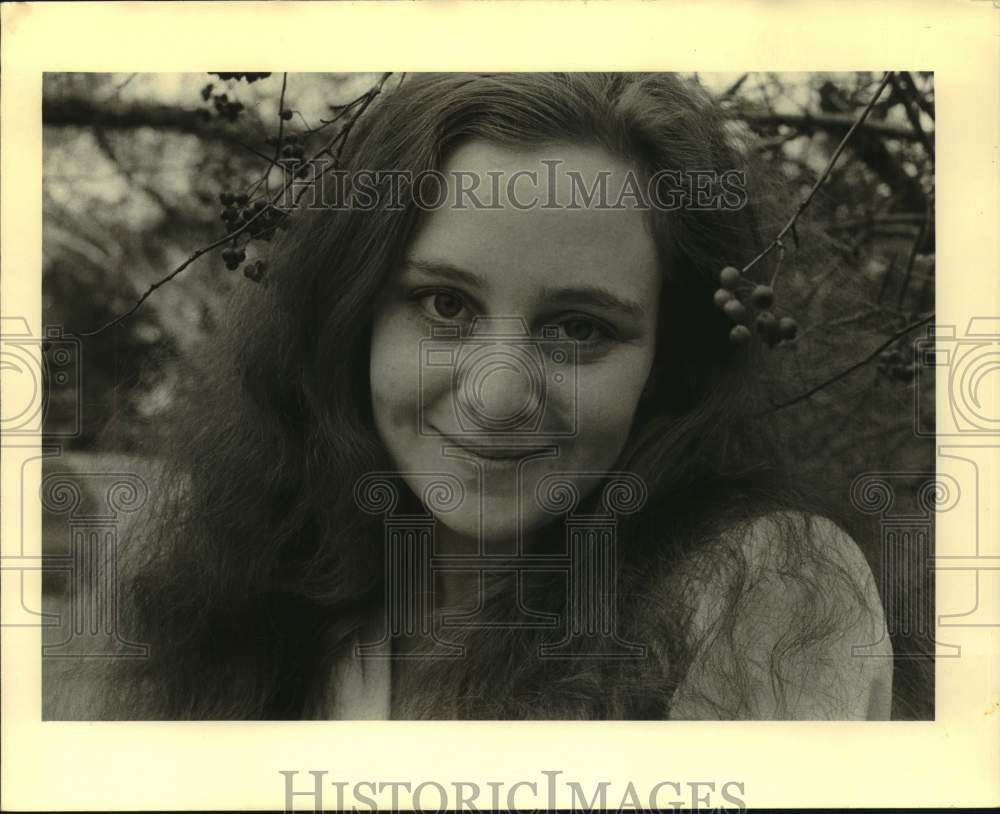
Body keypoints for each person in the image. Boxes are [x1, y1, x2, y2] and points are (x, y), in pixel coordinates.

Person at [96, 72, 891, 720]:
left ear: (670, 362)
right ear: (351, 316)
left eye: (578, 329)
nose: (499, 393)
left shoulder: (761, 591)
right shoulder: (261, 587)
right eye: (446, 306)